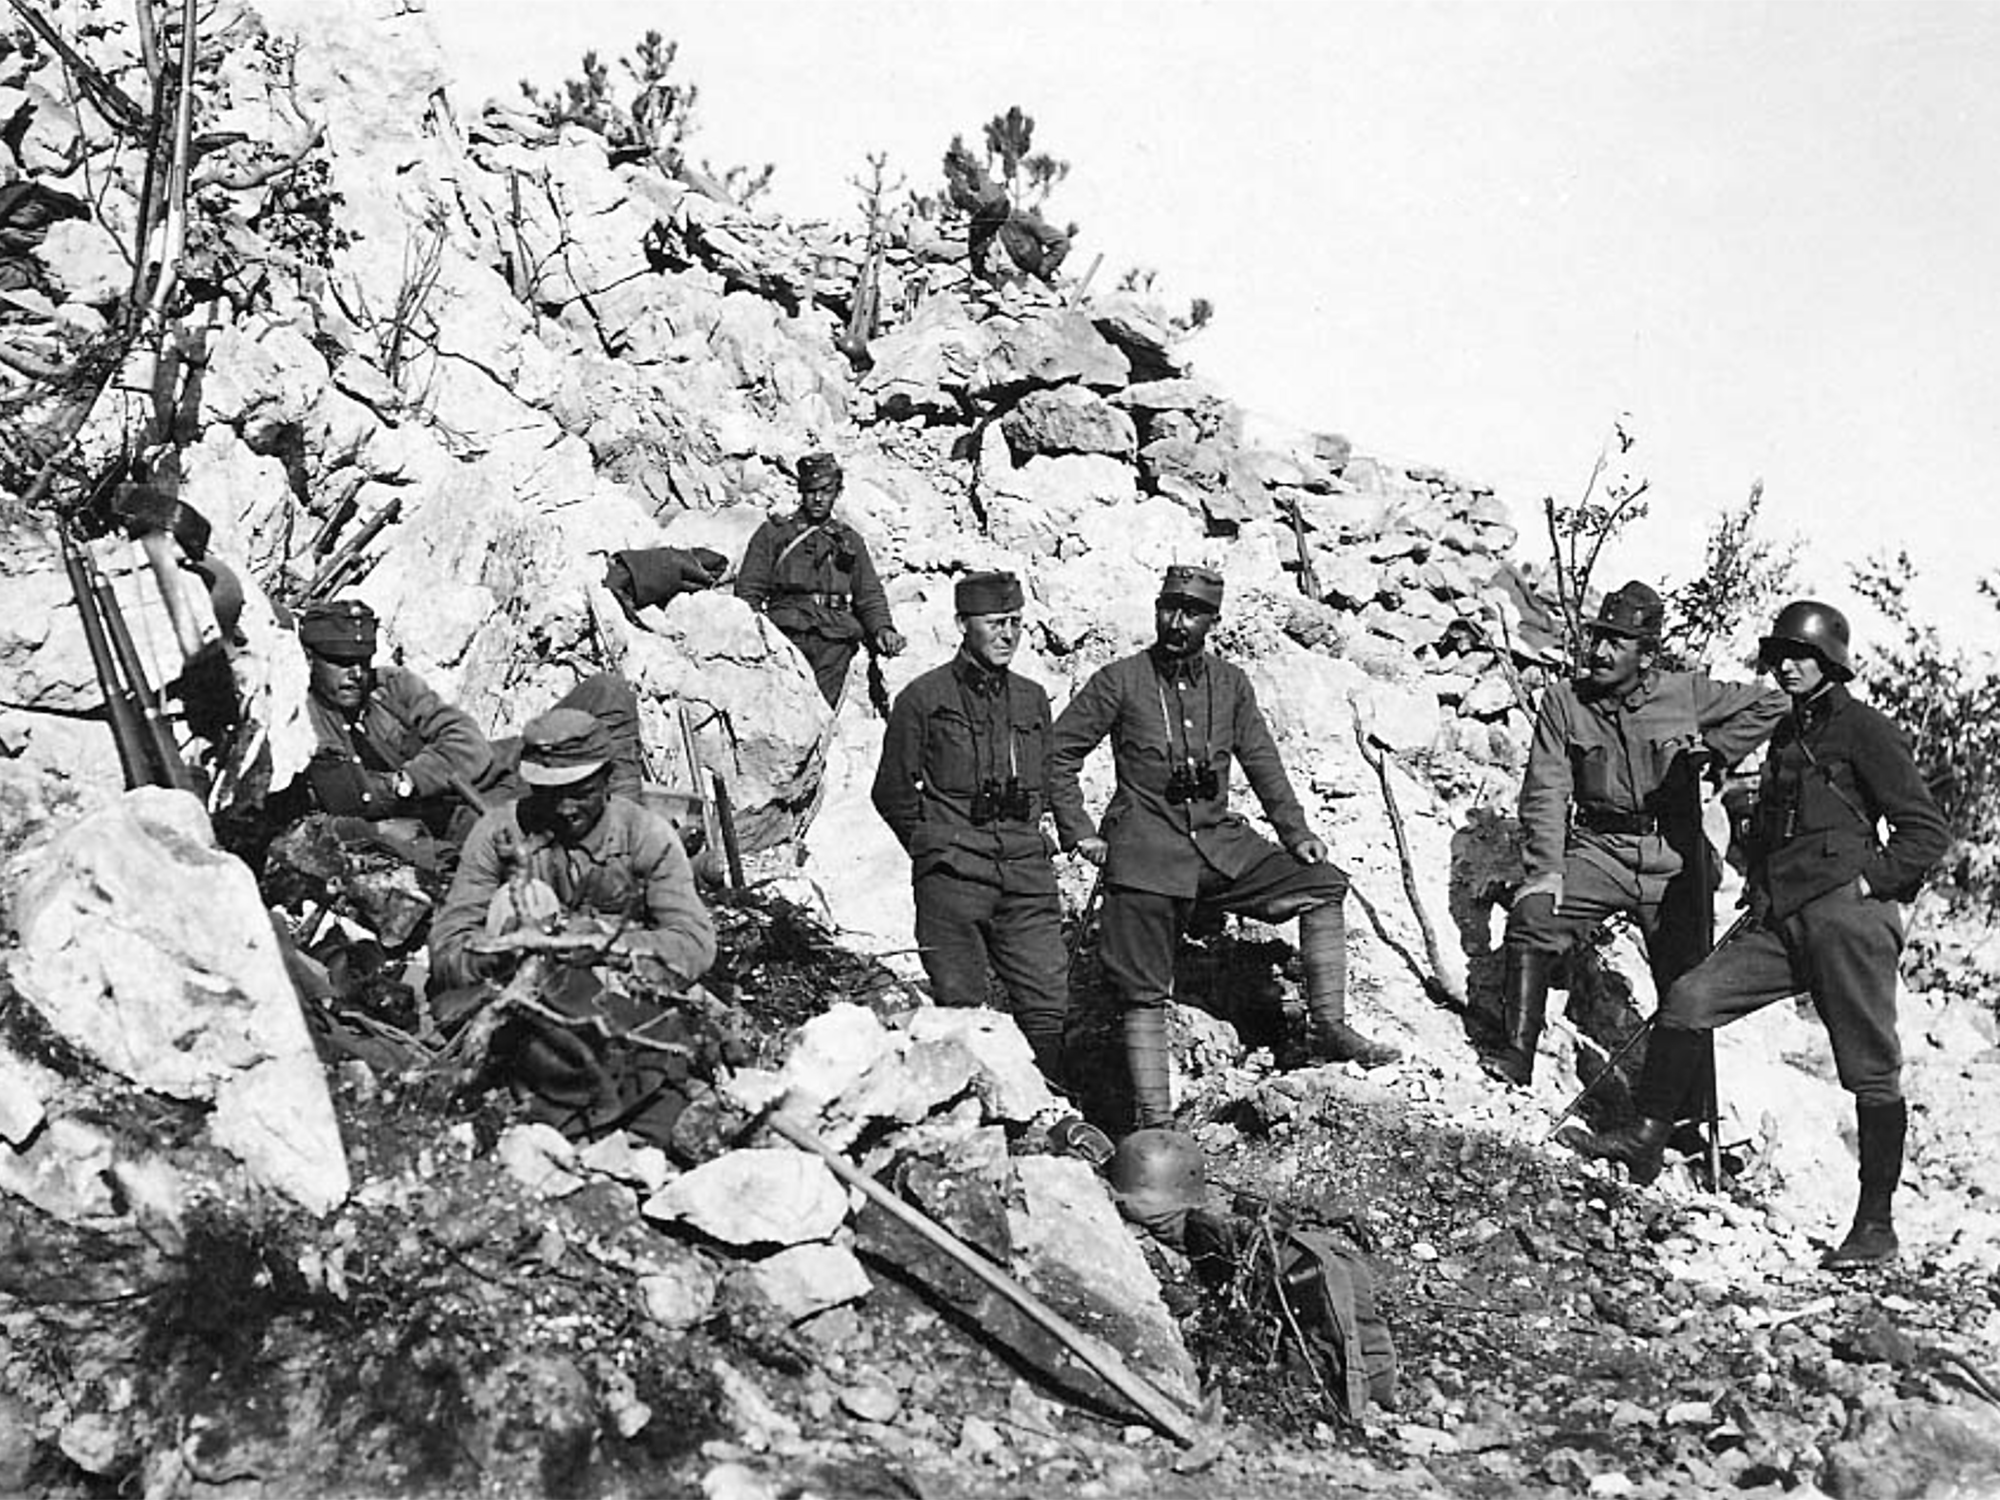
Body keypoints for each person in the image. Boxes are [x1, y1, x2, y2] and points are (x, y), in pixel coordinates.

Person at [1565, 601, 1947, 1269]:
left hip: (1848, 922)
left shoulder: (1865, 729)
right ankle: (1646, 1139)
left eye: (1802, 657)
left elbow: (1925, 832)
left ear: (1830, 663)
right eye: (1781, 656)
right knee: (1689, 998)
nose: (1788, 667)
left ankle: (1875, 1226)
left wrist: (1866, 886)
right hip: (1781, 917)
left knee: (1870, 1070)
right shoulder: (1789, 727)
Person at [1048, 564, 1399, 1132]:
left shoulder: (1230, 684)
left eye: (1192, 613)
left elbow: (1262, 760)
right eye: (1169, 608)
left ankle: (1327, 1028)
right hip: (1145, 853)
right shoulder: (1119, 681)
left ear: (1212, 620)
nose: (1176, 623)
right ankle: (1156, 1123)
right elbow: (1057, 754)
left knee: (1322, 884)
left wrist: (1296, 833)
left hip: (1220, 847)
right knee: (1142, 989)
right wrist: (1080, 831)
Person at [1481, 580, 1789, 1087]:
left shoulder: (1683, 693)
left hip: (1674, 857)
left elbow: (1774, 705)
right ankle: (1517, 1057)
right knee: (1533, 917)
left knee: (1689, 984)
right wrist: (1546, 871)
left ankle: (1680, 1112)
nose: (1600, 652)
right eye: (1598, 638)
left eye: (1616, 642)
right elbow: (1546, 791)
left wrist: (1715, 752)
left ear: (1646, 656)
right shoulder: (1565, 702)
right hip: (1600, 852)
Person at [429, 708, 719, 1139]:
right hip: (519, 1001)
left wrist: (603, 942)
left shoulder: (645, 836)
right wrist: (505, 952)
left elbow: (694, 943)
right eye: (549, 793)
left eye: (580, 792)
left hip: (616, 999)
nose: (564, 808)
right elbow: (448, 945)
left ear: (607, 779)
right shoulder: (499, 833)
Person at [871, 571, 1069, 1085]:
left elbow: (1047, 780)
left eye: (1016, 623)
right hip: (954, 878)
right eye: (995, 623)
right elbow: (891, 791)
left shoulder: (1031, 699)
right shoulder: (923, 697)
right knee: (959, 1006)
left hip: (1024, 874)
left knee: (1047, 1002)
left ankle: (1043, 1105)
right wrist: (934, 847)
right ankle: (969, 1112)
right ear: (962, 624)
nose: (1008, 634)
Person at [290, 598, 646, 835]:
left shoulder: (390, 686)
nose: (355, 674)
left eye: (362, 662)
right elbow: (355, 802)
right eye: (340, 662)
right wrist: (406, 789)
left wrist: (409, 779)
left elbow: (466, 740)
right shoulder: (299, 723)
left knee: (607, 692)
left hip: (489, 769)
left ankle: (625, 820)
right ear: (309, 659)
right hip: (454, 813)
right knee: (539, 822)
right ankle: (616, 837)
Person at [735, 452, 905, 707]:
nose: (818, 498)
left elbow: (868, 593)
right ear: (801, 491)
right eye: (811, 490)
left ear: (838, 492)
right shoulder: (774, 533)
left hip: (835, 639)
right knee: (785, 710)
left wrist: (883, 629)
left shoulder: (849, 540)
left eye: (826, 491)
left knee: (823, 715)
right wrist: (756, 635)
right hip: (785, 634)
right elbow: (749, 590)